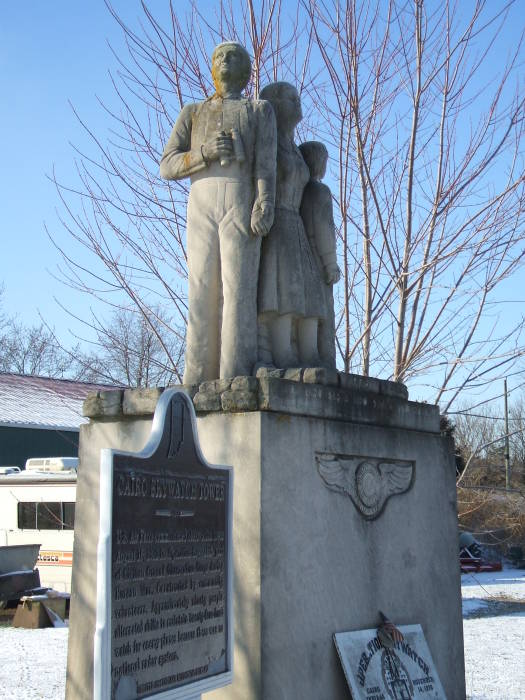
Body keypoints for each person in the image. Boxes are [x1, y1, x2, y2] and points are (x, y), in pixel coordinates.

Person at [160, 42, 277, 384]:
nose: (225, 60)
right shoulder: (193, 112)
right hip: (202, 201)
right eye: (219, 56)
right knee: (201, 289)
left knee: (238, 289)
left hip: (241, 198)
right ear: (211, 67)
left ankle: (234, 376)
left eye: (234, 56)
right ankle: (195, 380)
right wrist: (204, 152)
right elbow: (167, 165)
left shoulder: (259, 110)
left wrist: (265, 201)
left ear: (247, 69)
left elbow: (266, 163)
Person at [257, 82, 324, 369]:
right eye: (290, 98)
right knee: (282, 293)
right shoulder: (269, 146)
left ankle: (310, 354)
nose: (298, 103)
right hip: (278, 223)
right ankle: (282, 352)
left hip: (297, 225)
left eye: (298, 97)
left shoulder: (297, 150)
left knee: (308, 292)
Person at [299, 141, 341, 369]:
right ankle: (316, 357)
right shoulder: (319, 191)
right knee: (318, 308)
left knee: (304, 306)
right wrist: (331, 264)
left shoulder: (298, 191)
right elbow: (325, 230)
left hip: (298, 254)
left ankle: (308, 354)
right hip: (316, 257)